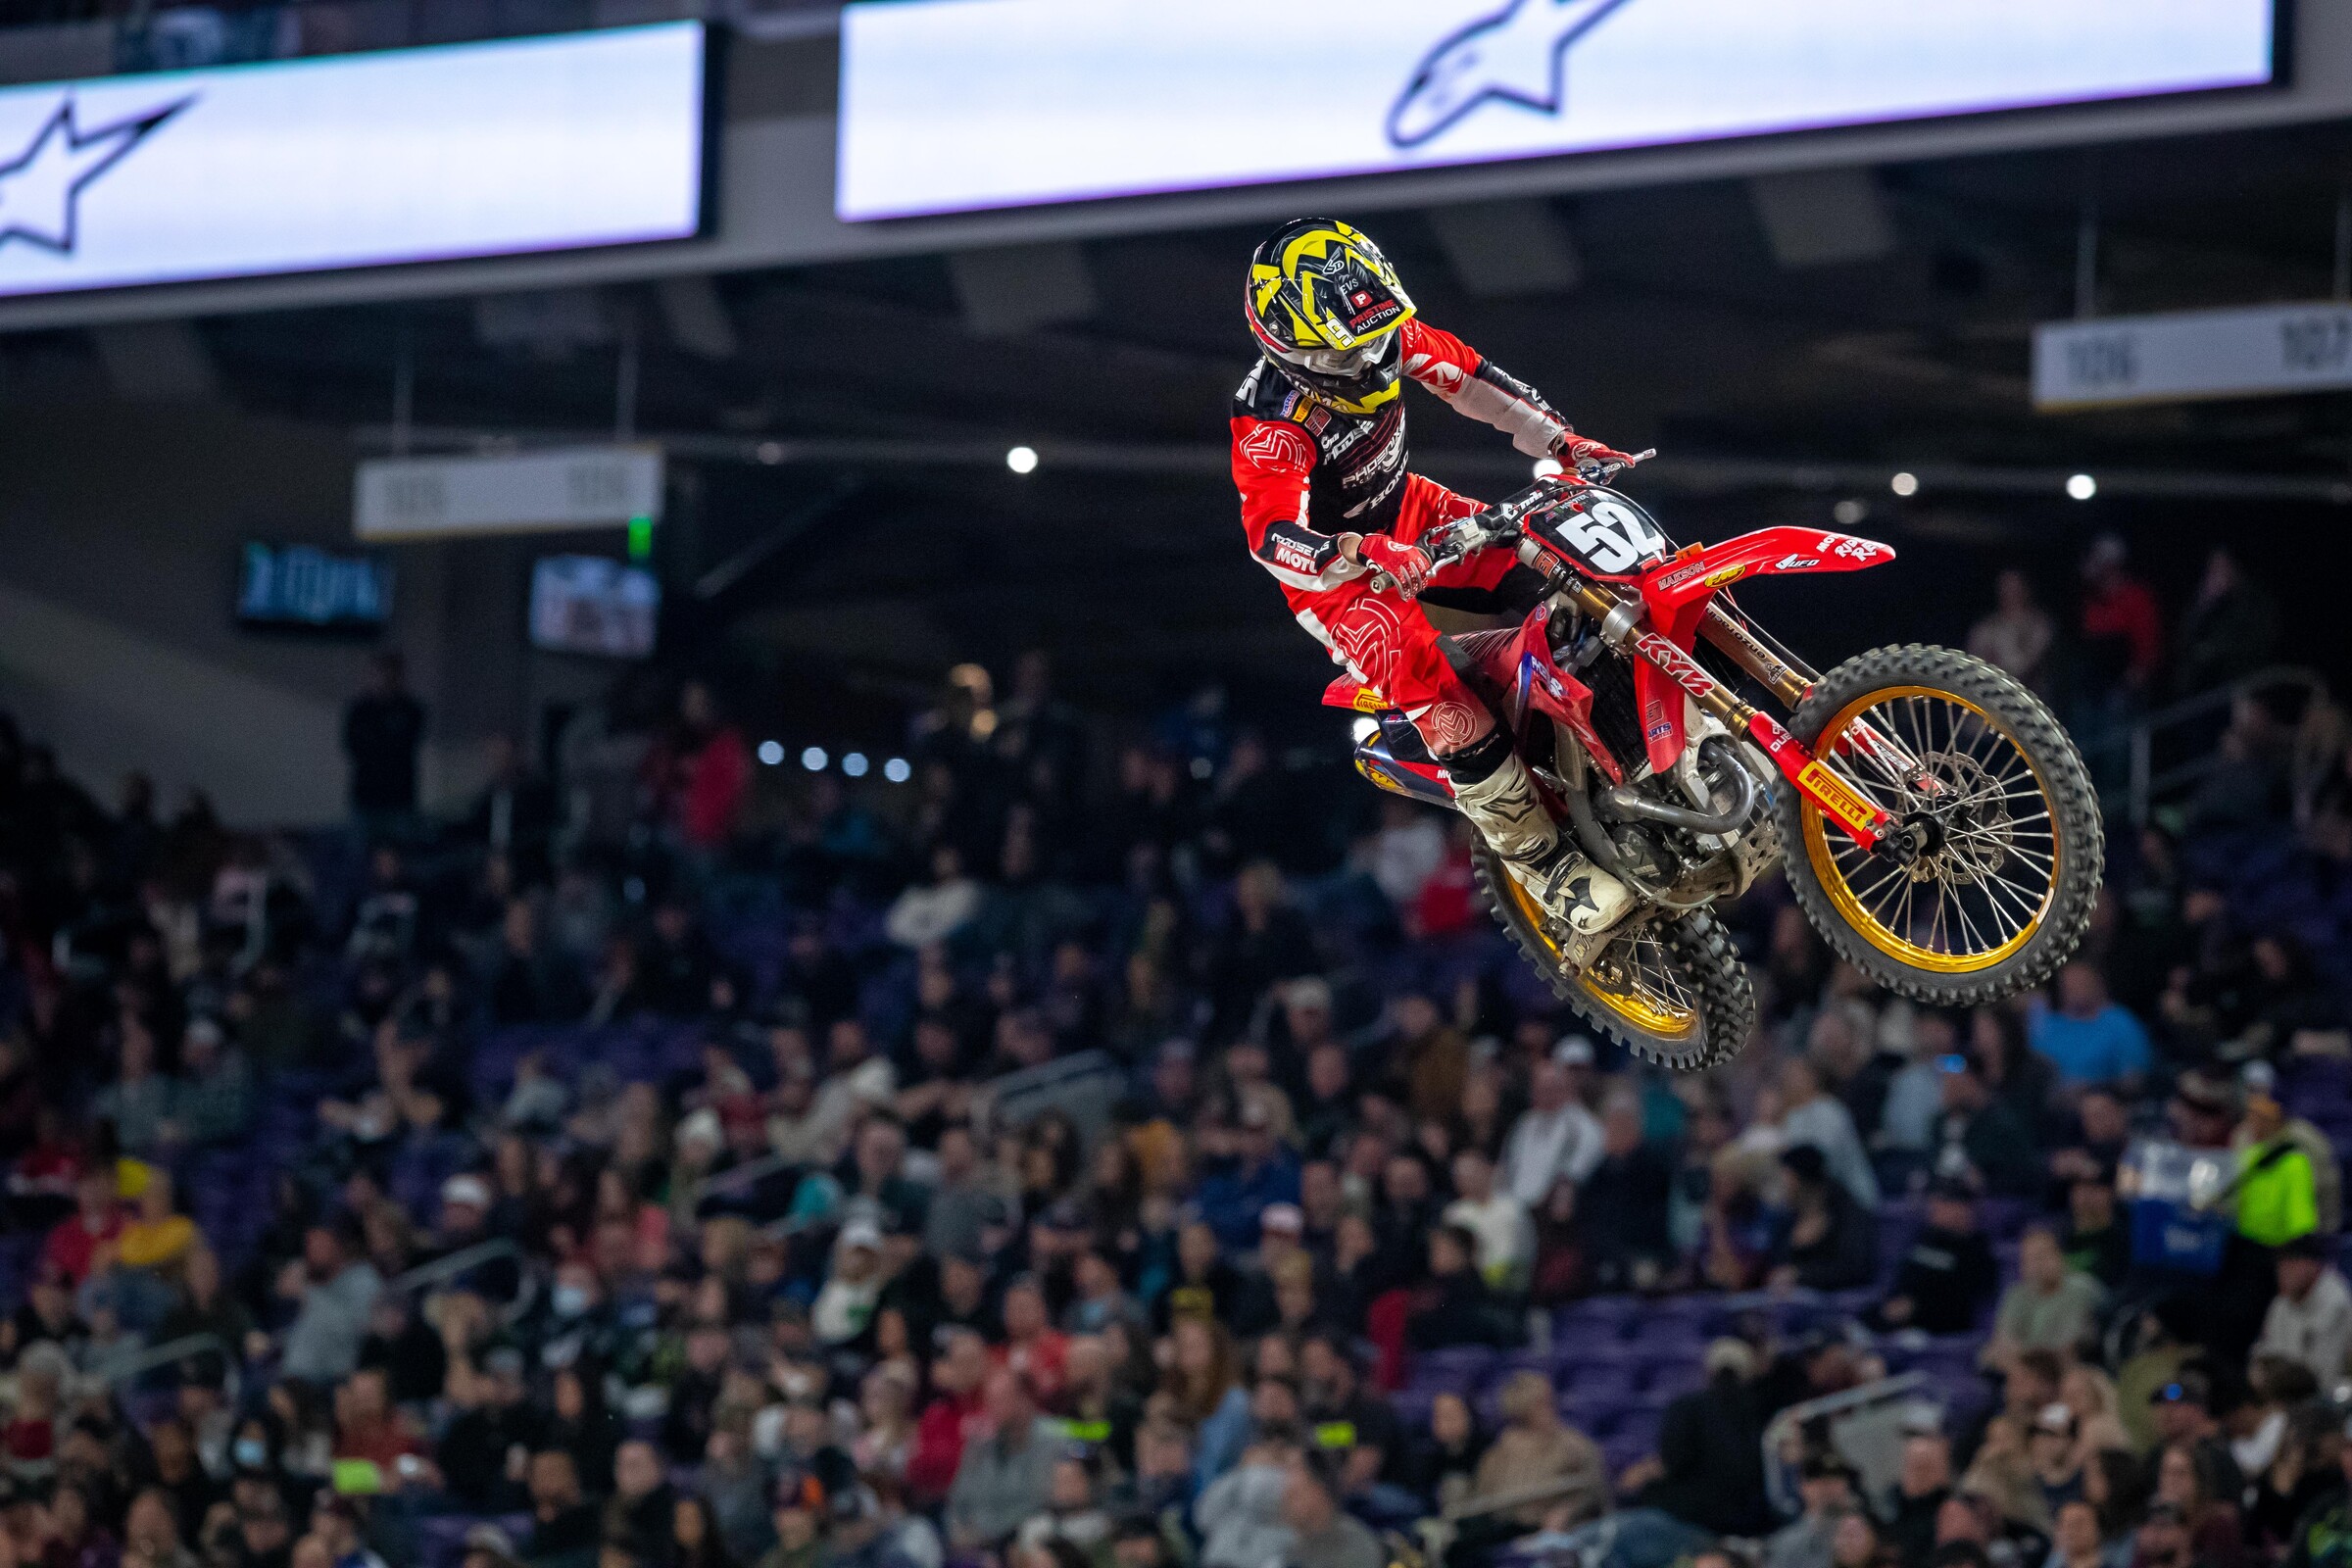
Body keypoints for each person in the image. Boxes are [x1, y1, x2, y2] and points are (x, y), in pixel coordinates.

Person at [1229, 218, 1638, 936]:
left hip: (1411, 507)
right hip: (1339, 574)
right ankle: (1541, 862)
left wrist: (1564, 442)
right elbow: (1269, 536)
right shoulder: (1270, 418)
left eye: (1377, 332)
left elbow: (1476, 381)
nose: (1373, 356)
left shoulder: (1383, 330)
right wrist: (1352, 552)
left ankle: (1616, 730)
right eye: (1347, 347)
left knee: (1558, 556)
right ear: (1292, 347)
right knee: (1426, 678)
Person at [946, 1371, 1058, 1549]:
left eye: (1000, 1400)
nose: (992, 1409)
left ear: (1024, 1400)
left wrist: (988, 1535)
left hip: (1020, 1541)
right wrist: (958, 1531)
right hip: (973, 1543)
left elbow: (1039, 1501)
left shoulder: (1051, 1440)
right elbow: (957, 1498)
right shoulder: (980, 1444)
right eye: (990, 1401)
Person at [1878, 1180, 1999, 1336]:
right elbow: (1902, 1277)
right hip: (1898, 1319)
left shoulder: (1977, 1250)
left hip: (1939, 1328)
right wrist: (1893, 1303)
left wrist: (1915, 1307)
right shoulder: (1924, 1237)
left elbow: (1965, 1300)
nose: (1935, 1207)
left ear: (1963, 1208)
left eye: (1944, 1202)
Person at [1984, 1228, 2102, 1371]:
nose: (2035, 1266)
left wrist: (2021, 1352)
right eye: (2028, 1259)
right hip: (2021, 1369)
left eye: (2041, 1256)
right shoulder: (2016, 1294)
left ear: (2059, 1256)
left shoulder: (2079, 1289)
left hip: (2064, 1370)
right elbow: (2002, 1341)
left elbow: (2063, 1347)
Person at [342, 650, 425, 837]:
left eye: (391, 673)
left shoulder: (410, 710)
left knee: (400, 855)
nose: (386, 679)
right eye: (381, 673)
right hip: (366, 796)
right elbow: (354, 748)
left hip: (399, 798)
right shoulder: (360, 711)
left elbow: (403, 747)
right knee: (360, 857)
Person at [2030, 966, 2153, 1090]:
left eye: (2082, 984)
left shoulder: (2119, 1021)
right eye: (2069, 985)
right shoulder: (2046, 1023)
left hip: (2103, 1097)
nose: (2076, 990)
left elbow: (2136, 1077)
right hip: (2049, 1097)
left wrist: (2090, 1088)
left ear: (2098, 985)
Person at [2256, 1235, 2352, 1384]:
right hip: (2284, 1395)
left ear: (2312, 1264)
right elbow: (2266, 1355)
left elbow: (2324, 1378)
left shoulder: (2335, 1303)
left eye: (2291, 1264)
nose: (2283, 1272)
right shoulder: (2280, 1304)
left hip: (2323, 1401)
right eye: (2281, 1265)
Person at [1281, 1449, 1385, 1568]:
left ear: (1318, 1493)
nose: (1284, 1503)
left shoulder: (1354, 1546)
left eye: (1293, 1495)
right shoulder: (1291, 1545)